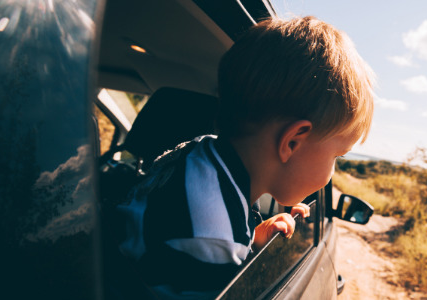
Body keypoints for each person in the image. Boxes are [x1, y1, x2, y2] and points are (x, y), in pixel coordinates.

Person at [117, 16, 375, 298]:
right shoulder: (211, 235)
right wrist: (235, 248)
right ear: (292, 141)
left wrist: (250, 241)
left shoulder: (200, 154)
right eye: (337, 156)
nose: (332, 170)